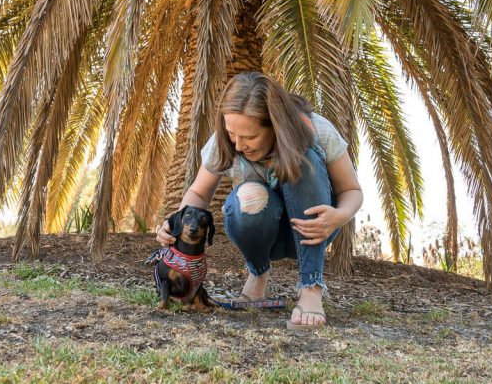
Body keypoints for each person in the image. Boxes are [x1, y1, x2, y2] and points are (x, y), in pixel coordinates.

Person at [156, 71, 363, 328]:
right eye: (232, 134)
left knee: (304, 157)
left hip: (313, 230)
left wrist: (339, 216)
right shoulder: (226, 141)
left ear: (276, 126)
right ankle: (258, 273)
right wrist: (174, 224)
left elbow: (351, 191)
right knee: (250, 194)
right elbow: (199, 193)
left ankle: (311, 287)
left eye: (250, 137)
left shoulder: (317, 129)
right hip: (262, 232)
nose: (238, 145)